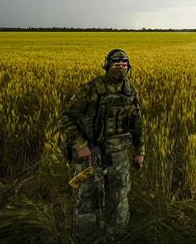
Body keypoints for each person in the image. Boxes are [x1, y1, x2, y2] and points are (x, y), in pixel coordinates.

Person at [60, 49, 145, 242]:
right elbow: (67, 118)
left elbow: (138, 123)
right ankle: (85, 237)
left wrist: (140, 151)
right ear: (107, 65)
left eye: (124, 64)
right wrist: (81, 146)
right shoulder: (90, 89)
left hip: (119, 155)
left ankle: (116, 236)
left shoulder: (130, 91)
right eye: (116, 64)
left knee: (119, 196)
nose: (120, 67)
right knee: (88, 197)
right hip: (91, 154)